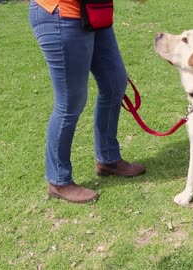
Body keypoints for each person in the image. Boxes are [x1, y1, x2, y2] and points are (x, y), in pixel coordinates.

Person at [29, 0, 145, 203]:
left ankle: (108, 159)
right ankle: (58, 180)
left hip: (94, 12)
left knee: (114, 83)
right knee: (70, 101)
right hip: (61, 14)